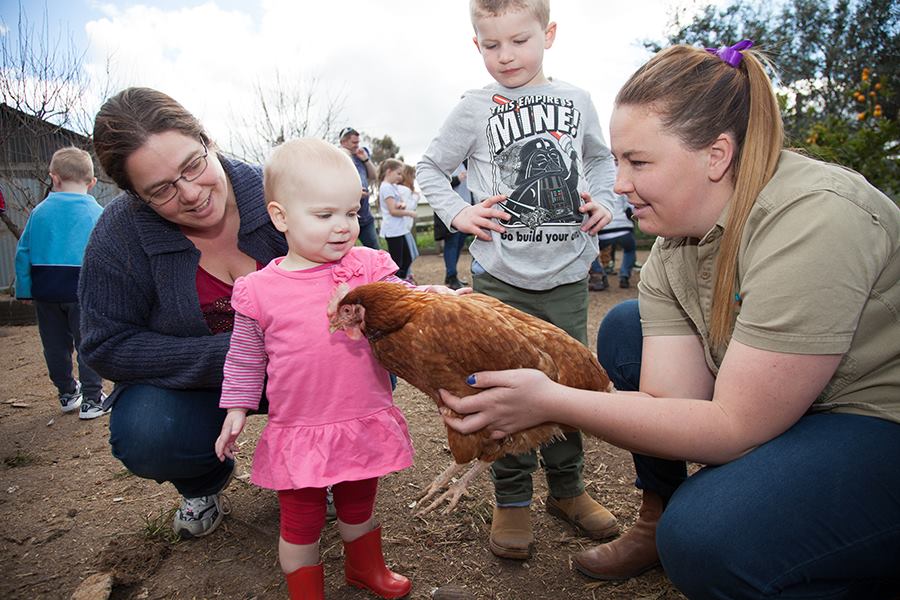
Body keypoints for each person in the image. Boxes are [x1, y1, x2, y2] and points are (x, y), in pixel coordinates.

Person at [438, 41, 900, 599]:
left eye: (638, 162)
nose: (620, 183)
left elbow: (731, 428)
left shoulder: (814, 219)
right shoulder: (672, 247)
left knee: (708, 538)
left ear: (716, 155)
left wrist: (552, 399)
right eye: (618, 161)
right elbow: (666, 407)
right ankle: (657, 517)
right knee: (627, 328)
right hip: (799, 405)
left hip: (873, 416)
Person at [416, 0, 619, 561]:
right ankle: (511, 498)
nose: (506, 56)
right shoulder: (473, 108)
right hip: (500, 279)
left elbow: (602, 162)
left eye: (519, 41)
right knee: (500, 389)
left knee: (568, 384)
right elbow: (430, 168)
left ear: (548, 33)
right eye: (491, 45)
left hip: (566, 274)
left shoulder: (577, 101)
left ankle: (568, 488)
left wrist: (601, 198)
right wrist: (458, 213)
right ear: (475, 44)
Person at [79, 87, 289, 540]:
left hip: (293, 368)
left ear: (208, 140)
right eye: (161, 190)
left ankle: (323, 467)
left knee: (363, 366)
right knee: (149, 433)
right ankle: (204, 482)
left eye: (193, 165)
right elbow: (104, 342)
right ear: (136, 195)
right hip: (198, 383)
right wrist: (229, 357)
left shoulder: (280, 192)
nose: (191, 194)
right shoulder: (118, 236)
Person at [214, 138, 414, 599]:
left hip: (361, 416)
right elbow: (245, 356)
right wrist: (236, 409)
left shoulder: (366, 267)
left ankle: (365, 567)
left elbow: (406, 299)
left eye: (350, 212)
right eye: (325, 216)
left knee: (360, 503)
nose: (343, 227)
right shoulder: (260, 290)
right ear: (281, 216)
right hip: (300, 428)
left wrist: (437, 301)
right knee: (300, 523)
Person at [14, 146, 107, 419]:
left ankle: (67, 393)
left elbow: (23, 253)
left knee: (54, 345)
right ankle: (92, 398)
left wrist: (24, 290)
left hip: (46, 291)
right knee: (86, 342)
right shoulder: (98, 213)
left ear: (54, 178)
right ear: (92, 183)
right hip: (83, 291)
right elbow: (106, 255)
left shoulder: (39, 213)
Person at [338, 127, 379, 250]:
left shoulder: (361, 155)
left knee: (374, 249)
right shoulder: (338, 156)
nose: (357, 145)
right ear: (343, 142)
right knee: (347, 251)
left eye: (358, 142)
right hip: (347, 216)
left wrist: (365, 159)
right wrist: (354, 193)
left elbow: (374, 175)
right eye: (354, 142)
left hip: (365, 215)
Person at [378, 158, 417, 282]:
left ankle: (401, 281)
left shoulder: (392, 187)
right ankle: (396, 283)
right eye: (398, 173)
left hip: (399, 229)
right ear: (389, 171)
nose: (400, 177)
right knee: (397, 261)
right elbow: (392, 211)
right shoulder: (386, 188)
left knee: (408, 258)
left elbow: (396, 205)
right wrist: (409, 213)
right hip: (393, 230)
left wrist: (401, 205)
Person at [588, 194, 636, 290]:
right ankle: (624, 275)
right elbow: (630, 209)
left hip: (604, 228)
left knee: (590, 252)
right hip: (624, 228)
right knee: (629, 250)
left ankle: (599, 274)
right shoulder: (622, 189)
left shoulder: (594, 187)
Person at [440, 163, 473, 290]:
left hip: (466, 210)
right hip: (453, 212)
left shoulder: (466, 165)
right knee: (452, 245)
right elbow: (441, 185)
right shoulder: (448, 164)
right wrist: (458, 178)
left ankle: (451, 277)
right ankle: (451, 277)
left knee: (459, 244)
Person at [398, 164, 420, 283]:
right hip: (404, 227)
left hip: (405, 227)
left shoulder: (398, 189)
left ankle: (408, 274)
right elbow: (410, 207)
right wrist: (416, 197)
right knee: (410, 254)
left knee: (408, 254)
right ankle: (405, 277)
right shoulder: (405, 190)